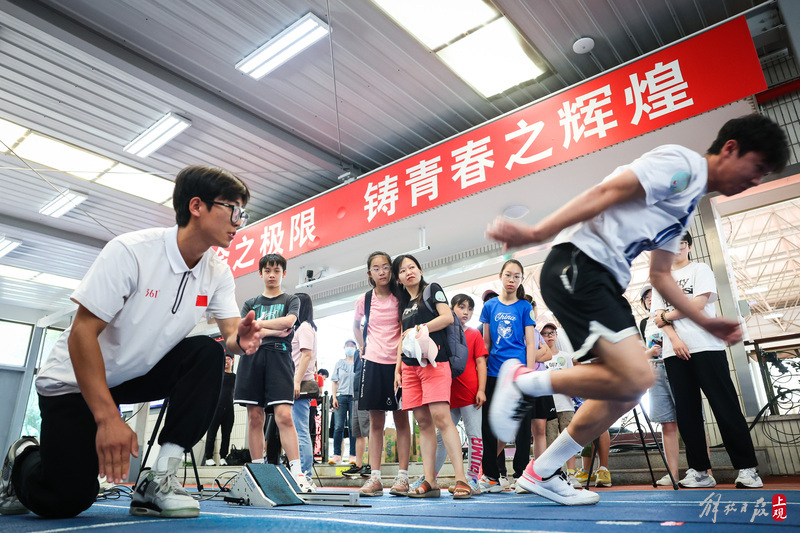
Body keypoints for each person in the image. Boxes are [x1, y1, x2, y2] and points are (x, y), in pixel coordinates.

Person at [486, 114, 788, 505]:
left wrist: (708, 322)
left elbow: (661, 277)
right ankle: (525, 382)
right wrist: (537, 233)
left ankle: (541, 471)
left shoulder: (686, 206)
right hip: (579, 265)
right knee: (638, 375)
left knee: (625, 392)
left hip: (605, 283)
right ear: (731, 148)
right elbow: (608, 191)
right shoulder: (681, 165)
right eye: (758, 167)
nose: (756, 180)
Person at [0, 165, 266, 519]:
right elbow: (82, 333)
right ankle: (23, 457)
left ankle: (159, 477)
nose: (239, 221)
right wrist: (108, 417)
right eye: (232, 208)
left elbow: (231, 332)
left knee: (207, 353)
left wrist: (239, 339)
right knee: (66, 499)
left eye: (242, 212)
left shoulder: (216, 271)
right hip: (74, 381)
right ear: (197, 206)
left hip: (131, 377)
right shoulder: (132, 251)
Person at [652, 232, 762, 489]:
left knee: (725, 406)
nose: (676, 247)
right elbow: (657, 318)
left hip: (706, 347)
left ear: (688, 246)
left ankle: (748, 469)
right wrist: (674, 337)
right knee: (688, 413)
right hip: (673, 351)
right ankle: (700, 471)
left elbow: (699, 303)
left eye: (681, 242)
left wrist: (667, 317)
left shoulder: (700, 269)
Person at [393, 254, 471, 500]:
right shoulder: (403, 304)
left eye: (412, 267)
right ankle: (430, 480)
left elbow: (447, 317)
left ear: (420, 269)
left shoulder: (432, 290)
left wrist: (422, 328)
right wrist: (397, 367)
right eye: (403, 270)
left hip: (435, 363)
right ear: (399, 278)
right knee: (423, 423)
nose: (409, 272)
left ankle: (461, 479)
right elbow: (403, 336)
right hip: (410, 367)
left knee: (441, 417)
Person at [234, 254, 314, 493]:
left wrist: (264, 327)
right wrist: (273, 329)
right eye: (267, 270)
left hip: (280, 359)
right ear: (260, 273)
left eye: (276, 270)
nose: (272, 274)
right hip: (252, 358)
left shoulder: (291, 300)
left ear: (283, 273)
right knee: (255, 417)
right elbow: (246, 330)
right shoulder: (250, 303)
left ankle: (298, 473)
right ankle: (258, 473)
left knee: (284, 416)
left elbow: (289, 323)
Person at [479, 259, 549, 493]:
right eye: (508, 275)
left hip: (519, 373)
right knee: (489, 427)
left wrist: (527, 373)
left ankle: (521, 475)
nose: (512, 280)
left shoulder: (524, 308)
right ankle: (490, 476)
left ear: (520, 280)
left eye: (517, 276)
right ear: (500, 276)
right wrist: (483, 374)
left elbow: (531, 343)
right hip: (494, 372)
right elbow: (487, 342)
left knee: (522, 427)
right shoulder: (489, 306)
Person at [353, 252, 411, 497]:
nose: (382, 271)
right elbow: (357, 325)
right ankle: (375, 478)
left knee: (401, 420)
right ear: (370, 274)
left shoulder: (402, 297)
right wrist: (361, 346)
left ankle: (403, 476)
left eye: (386, 266)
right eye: (376, 268)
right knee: (376, 422)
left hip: (399, 363)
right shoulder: (365, 300)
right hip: (373, 363)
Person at [638, 284, 680, 486]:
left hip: (678, 366)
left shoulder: (672, 315)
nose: (649, 298)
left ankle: (703, 470)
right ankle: (673, 474)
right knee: (666, 423)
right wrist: (650, 354)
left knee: (692, 420)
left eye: (652, 295)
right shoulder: (644, 323)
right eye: (645, 297)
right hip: (655, 371)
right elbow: (639, 353)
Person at [537, 322, 579, 488]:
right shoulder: (540, 357)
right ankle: (555, 474)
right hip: (548, 405)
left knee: (569, 439)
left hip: (566, 404)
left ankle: (571, 473)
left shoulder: (566, 356)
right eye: (545, 334)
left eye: (552, 333)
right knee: (551, 442)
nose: (549, 336)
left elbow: (573, 378)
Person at [290, 292, 318, 485]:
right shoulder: (301, 328)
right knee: (296, 430)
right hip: (294, 383)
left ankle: (305, 475)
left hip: (298, 385)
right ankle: (300, 473)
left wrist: (297, 381)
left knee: (300, 430)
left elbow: (306, 356)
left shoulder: (305, 328)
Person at [342, 344, 371, 477]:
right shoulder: (356, 354)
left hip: (368, 394)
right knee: (358, 432)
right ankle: (358, 465)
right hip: (356, 395)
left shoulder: (372, 349)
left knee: (370, 431)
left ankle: (371, 464)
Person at [203, 353, 236, 466]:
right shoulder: (218, 375)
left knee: (226, 435)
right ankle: (208, 457)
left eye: (228, 359)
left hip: (229, 409)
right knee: (211, 434)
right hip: (216, 408)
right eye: (224, 360)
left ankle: (223, 457)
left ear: (233, 361)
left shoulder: (235, 377)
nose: (226, 361)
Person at [330, 340, 357, 465]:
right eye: (348, 345)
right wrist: (334, 397)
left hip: (354, 398)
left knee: (353, 427)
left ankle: (353, 455)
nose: (350, 348)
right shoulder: (339, 363)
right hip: (341, 397)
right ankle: (336, 455)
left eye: (352, 346)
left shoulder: (358, 363)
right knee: (338, 427)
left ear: (356, 348)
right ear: (344, 347)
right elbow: (335, 381)